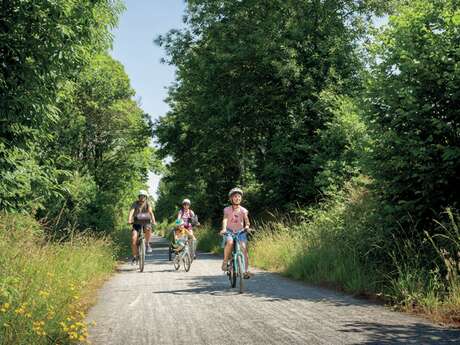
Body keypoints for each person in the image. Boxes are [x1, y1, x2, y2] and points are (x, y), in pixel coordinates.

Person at [219, 187, 251, 279]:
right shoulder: (227, 209)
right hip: (229, 231)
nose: (238, 198)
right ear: (231, 198)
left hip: (240, 232)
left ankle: (245, 271)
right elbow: (225, 219)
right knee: (229, 242)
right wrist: (224, 229)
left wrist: (247, 227)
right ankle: (225, 262)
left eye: (239, 196)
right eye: (235, 196)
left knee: (244, 249)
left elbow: (247, 221)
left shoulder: (243, 210)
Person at [128, 190, 156, 261]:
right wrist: (129, 219)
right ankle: (134, 256)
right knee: (134, 239)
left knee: (148, 229)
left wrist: (153, 220)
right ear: (139, 197)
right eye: (141, 196)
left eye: (143, 196)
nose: (142, 198)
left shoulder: (147, 203)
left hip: (145, 222)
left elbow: (151, 212)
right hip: (136, 223)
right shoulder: (135, 203)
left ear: (145, 197)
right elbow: (131, 211)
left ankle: (147, 243)